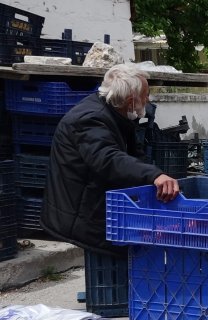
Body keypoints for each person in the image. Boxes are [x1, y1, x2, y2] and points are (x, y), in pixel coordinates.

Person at [41, 63, 180, 257]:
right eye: (145, 96)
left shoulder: (117, 113)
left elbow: (135, 155)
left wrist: (155, 175)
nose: (148, 100)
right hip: (80, 212)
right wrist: (154, 175)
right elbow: (108, 159)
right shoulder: (90, 119)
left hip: (95, 203)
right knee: (116, 259)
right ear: (131, 101)